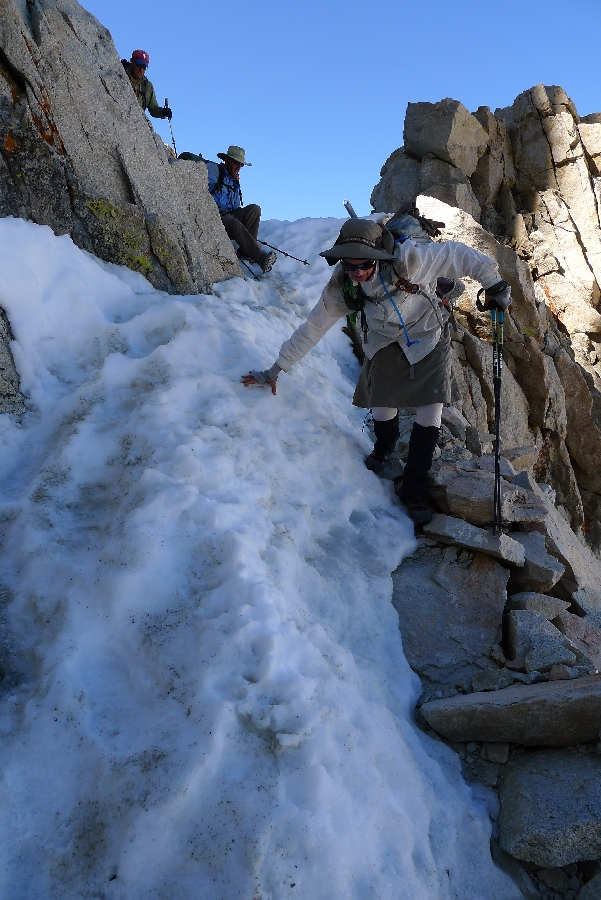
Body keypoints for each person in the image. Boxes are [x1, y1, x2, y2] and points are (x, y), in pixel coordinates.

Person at [241, 210, 511, 524]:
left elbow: (457, 254)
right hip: (383, 338)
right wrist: (275, 369)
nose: (357, 271)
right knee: (382, 406)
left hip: (428, 331)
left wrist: (494, 284)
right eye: (349, 264)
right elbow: (313, 328)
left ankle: (414, 490)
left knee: (430, 410)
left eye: (364, 264)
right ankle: (384, 447)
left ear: (378, 257)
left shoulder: (410, 261)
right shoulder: (343, 286)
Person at [206, 146, 276, 275]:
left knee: (254, 209)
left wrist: (235, 184)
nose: (238, 167)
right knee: (233, 223)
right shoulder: (214, 170)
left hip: (229, 216)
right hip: (214, 217)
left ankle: (246, 252)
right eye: (236, 163)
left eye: (241, 164)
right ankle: (261, 259)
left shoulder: (234, 182)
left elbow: (236, 207)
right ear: (227, 160)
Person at [121, 50, 172, 121]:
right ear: (132, 61)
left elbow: (153, 108)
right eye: (139, 65)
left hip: (134, 122)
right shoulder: (120, 74)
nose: (141, 69)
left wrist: (163, 112)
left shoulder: (148, 87)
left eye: (144, 67)